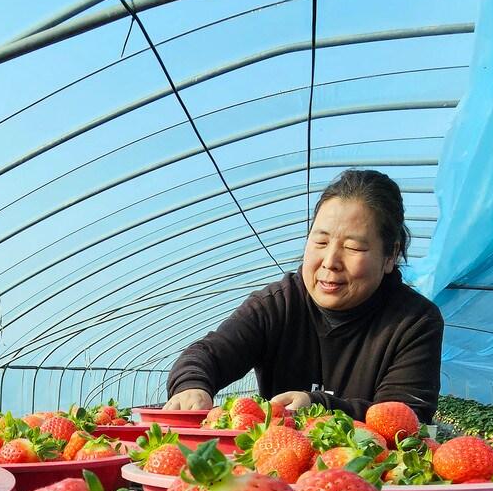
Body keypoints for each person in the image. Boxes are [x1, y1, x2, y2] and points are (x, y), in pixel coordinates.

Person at [164, 169, 444, 421]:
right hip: (275, 461)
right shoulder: (278, 305)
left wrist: (318, 405)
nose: (330, 261)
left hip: (372, 462)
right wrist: (192, 386)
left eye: (354, 247)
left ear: (390, 255)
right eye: (320, 242)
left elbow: (404, 417)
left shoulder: (414, 322)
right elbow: (208, 354)